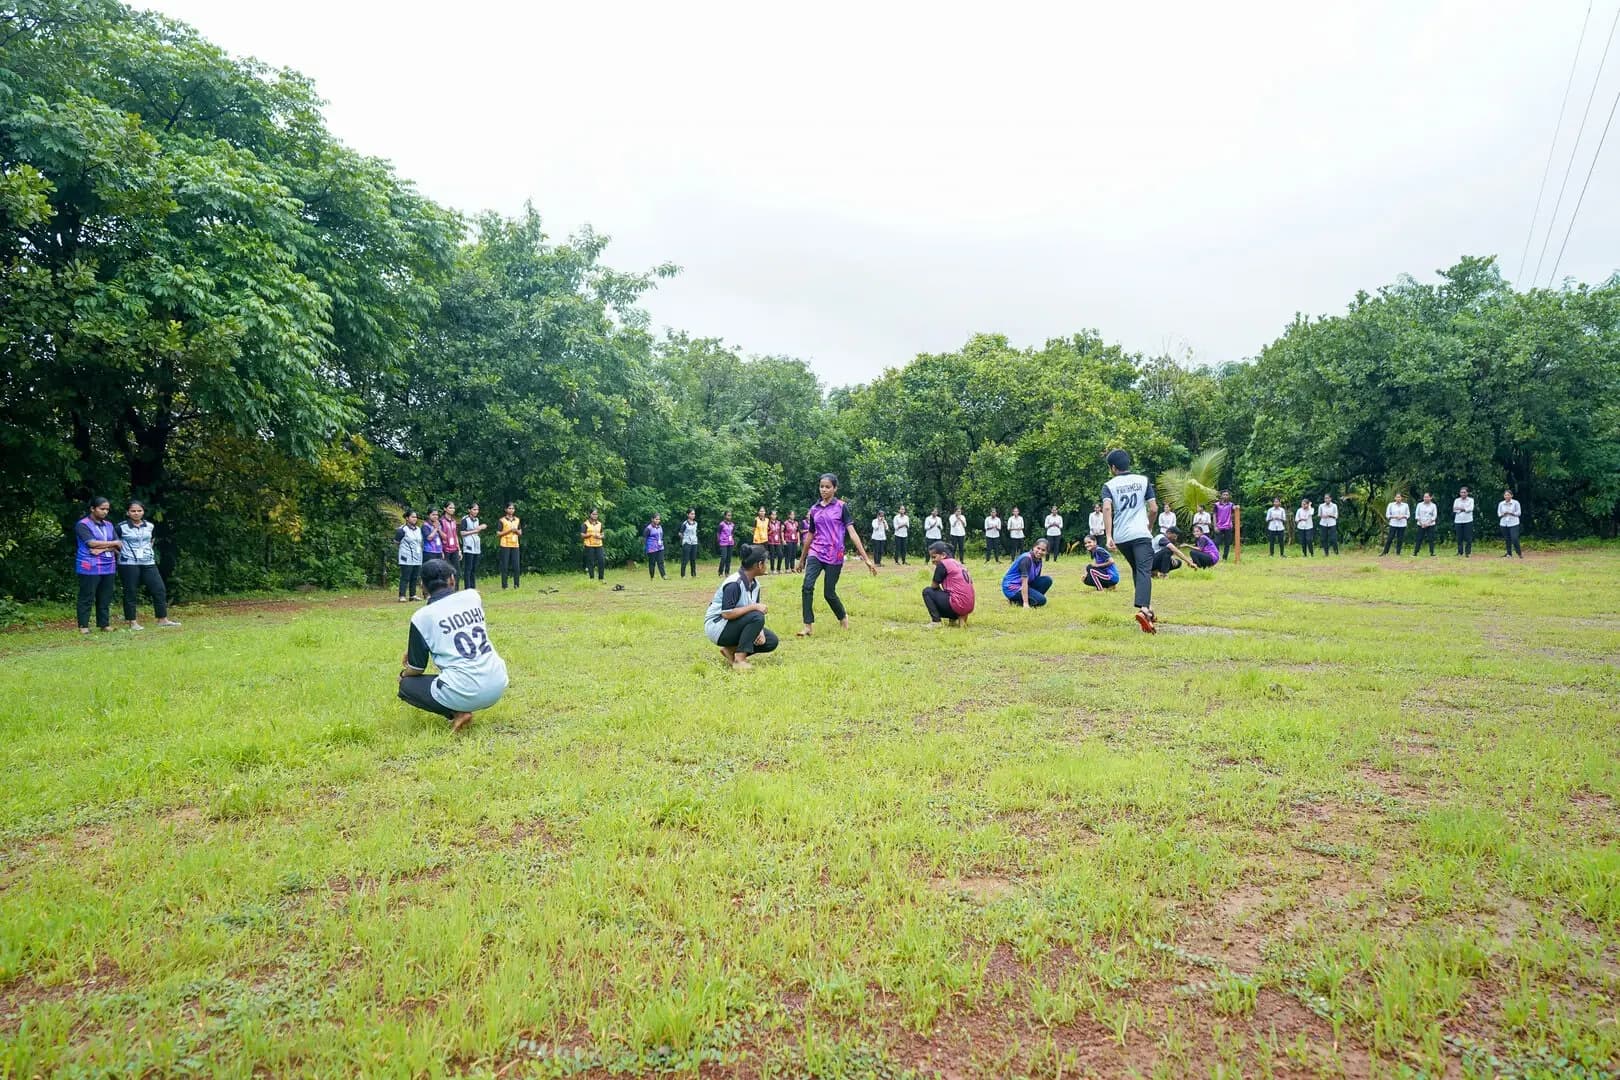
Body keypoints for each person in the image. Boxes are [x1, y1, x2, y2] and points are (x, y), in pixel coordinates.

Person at [398, 558, 508, 733]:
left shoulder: (422, 617)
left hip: (465, 689)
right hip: (498, 682)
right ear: (452, 580)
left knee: (407, 685)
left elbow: (416, 668)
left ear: (423, 586)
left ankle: (457, 712)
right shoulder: (473, 596)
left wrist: (403, 674)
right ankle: (460, 709)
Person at [795, 473, 877, 636]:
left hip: (835, 555)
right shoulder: (814, 509)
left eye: (827, 487)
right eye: (821, 486)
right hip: (816, 552)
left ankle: (842, 617)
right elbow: (810, 534)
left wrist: (866, 559)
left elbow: (852, 533)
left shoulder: (841, 507)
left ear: (835, 488)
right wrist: (802, 559)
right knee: (807, 586)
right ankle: (808, 626)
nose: (824, 490)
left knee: (829, 593)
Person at [1102, 449, 1158, 633]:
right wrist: (1149, 527)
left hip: (1122, 536)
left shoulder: (1109, 485)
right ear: (1128, 463)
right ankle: (1143, 609)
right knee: (1144, 570)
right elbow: (1153, 508)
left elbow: (1107, 509)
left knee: (1137, 569)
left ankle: (1147, 610)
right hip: (1140, 533)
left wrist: (1109, 536)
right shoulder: (1143, 481)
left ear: (1113, 467)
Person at [705, 544, 779, 670]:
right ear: (759, 565)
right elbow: (727, 613)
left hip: (734, 623)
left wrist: (759, 631)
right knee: (757, 616)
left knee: (771, 641)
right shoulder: (734, 583)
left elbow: (753, 611)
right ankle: (739, 659)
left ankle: (730, 651)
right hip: (718, 627)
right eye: (765, 562)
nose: (767, 565)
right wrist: (754, 607)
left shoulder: (755, 584)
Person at [115, 500, 179, 630]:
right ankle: (132, 622)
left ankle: (162, 619)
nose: (136, 513)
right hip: (128, 563)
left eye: (139, 511)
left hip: (148, 561)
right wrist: (122, 554)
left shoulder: (150, 525)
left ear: (143, 512)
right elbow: (114, 544)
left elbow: (152, 540)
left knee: (159, 589)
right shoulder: (120, 527)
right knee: (131, 591)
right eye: (133, 511)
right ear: (128, 512)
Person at [74, 496, 121, 633]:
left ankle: (104, 624)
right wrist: (112, 544)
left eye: (107, 509)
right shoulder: (82, 524)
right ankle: (84, 626)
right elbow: (91, 543)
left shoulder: (109, 525)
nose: (105, 512)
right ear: (92, 509)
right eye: (102, 509)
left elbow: (118, 545)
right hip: (89, 565)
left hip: (109, 564)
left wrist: (103, 548)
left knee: (105, 596)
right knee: (87, 596)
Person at [922, 540, 976, 627]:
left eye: (934, 557)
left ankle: (936, 622)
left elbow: (934, 586)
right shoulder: (958, 563)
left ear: (943, 555)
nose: (932, 561)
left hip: (958, 605)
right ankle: (957, 619)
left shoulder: (943, 564)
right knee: (950, 593)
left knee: (927, 591)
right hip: (969, 607)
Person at [1003, 537, 1053, 607]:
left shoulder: (1039, 560)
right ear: (1033, 547)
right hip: (1012, 588)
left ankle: (1031, 599)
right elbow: (1024, 582)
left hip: (1024, 585)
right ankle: (1018, 601)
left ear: (1046, 552)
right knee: (1042, 600)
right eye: (1038, 548)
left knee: (1047, 580)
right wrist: (1026, 603)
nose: (1040, 552)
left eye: (1043, 550)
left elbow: (1035, 579)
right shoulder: (1026, 559)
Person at [396, 510, 425, 602]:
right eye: (412, 517)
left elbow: (420, 542)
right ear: (407, 518)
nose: (415, 519)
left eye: (415, 517)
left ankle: (413, 595)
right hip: (406, 556)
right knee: (405, 576)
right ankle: (402, 595)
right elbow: (396, 542)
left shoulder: (418, 529)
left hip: (417, 556)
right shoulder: (402, 529)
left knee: (414, 577)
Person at [460, 504, 487, 590]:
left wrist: (480, 528)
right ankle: (467, 588)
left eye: (477, 510)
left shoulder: (477, 520)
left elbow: (477, 531)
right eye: (474, 509)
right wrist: (476, 530)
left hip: (476, 546)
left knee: (474, 568)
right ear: (469, 510)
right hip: (468, 546)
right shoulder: (465, 520)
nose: (476, 511)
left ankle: (473, 587)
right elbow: (462, 533)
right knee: (468, 568)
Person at [497, 503, 522, 589]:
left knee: (516, 566)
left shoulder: (517, 520)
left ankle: (516, 585)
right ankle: (504, 586)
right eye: (509, 508)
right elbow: (498, 533)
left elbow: (520, 532)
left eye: (513, 508)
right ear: (506, 509)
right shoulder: (502, 520)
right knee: (505, 566)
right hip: (505, 544)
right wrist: (509, 530)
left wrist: (516, 531)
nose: (511, 510)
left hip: (515, 544)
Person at [439, 502, 462, 583]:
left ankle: (455, 590)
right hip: (445, 549)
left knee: (456, 570)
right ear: (445, 509)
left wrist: (459, 549)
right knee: (446, 571)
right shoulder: (441, 521)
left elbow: (455, 535)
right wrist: (441, 550)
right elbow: (439, 537)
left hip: (454, 548)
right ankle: (446, 590)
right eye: (450, 508)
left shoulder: (454, 521)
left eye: (453, 508)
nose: (452, 510)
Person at [581, 509, 606, 581]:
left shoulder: (599, 524)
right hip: (589, 545)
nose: (595, 516)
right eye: (593, 514)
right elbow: (582, 535)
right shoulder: (585, 524)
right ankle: (591, 578)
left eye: (596, 514)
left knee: (601, 561)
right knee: (590, 562)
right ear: (590, 514)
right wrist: (590, 534)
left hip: (599, 545)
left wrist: (600, 536)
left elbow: (603, 534)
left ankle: (601, 578)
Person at [1498, 490, 1523, 558]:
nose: (1507, 496)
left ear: (1511, 495)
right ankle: (1509, 554)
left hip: (1514, 523)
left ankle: (1519, 553)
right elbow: (1499, 514)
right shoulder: (1501, 503)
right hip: (1504, 523)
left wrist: (1512, 513)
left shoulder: (1516, 503)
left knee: (1514, 538)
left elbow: (1519, 513)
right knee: (1507, 539)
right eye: (1505, 495)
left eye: (1508, 495)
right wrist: (1503, 514)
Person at [643, 513, 668, 579]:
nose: (658, 520)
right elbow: (645, 538)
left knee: (661, 562)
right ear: (652, 519)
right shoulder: (648, 528)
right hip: (652, 548)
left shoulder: (660, 527)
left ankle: (664, 576)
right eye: (656, 519)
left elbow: (661, 536)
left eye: (659, 519)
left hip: (660, 547)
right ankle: (652, 577)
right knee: (652, 563)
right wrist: (646, 547)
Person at [1453, 487, 1476, 557]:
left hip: (1468, 520)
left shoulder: (1471, 500)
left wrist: (1461, 509)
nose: (1463, 494)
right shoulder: (1457, 500)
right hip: (1458, 521)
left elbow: (1470, 509)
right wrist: (1464, 509)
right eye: (1461, 492)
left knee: (1468, 537)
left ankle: (1468, 552)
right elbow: (1454, 509)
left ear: (1467, 493)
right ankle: (1460, 552)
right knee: (1459, 537)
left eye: (1464, 492)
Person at [1214, 490, 1237, 561]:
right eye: (1224, 495)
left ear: (1229, 496)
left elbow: (1234, 512)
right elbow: (1214, 515)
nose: (1225, 496)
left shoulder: (1231, 504)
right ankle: (1217, 556)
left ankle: (1225, 558)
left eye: (1227, 495)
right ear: (1221, 496)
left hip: (1228, 526)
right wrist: (1215, 526)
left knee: (1227, 543)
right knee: (1216, 542)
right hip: (1219, 526)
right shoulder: (1216, 505)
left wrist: (1231, 522)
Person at [679, 509, 701, 577]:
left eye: (694, 514)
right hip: (687, 542)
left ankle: (693, 574)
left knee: (693, 559)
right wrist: (684, 540)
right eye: (691, 514)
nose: (693, 515)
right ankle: (683, 575)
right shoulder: (685, 524)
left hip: (694, 542)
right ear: (688, 515)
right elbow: (680, 533)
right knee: (685, 559)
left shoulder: (696, 523)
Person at [717, 511, 736, 577]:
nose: (729, 517)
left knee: (729, 558)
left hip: (730, 543)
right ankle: (720, 572)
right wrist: (719, 540)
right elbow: (718, 533)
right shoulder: (721, 524)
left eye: (730, 515)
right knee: (723, 557)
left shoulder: (732, 524)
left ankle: (727, 572)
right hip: (723, 543)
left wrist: (731, 539)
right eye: (728, 515)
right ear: (725, 516)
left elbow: (732, 533)